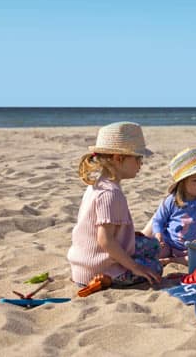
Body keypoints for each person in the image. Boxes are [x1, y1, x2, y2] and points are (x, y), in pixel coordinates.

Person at [67, 122, 163, 288]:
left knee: (153, 245)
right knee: (155, 267)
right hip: (99, 269)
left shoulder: (97, 185)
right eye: (138, 158)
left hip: (82, 265)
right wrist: (135, 267)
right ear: (119, 158)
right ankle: (113, 275)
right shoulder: (111, 194)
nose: (141, 164)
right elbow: (105, 240)